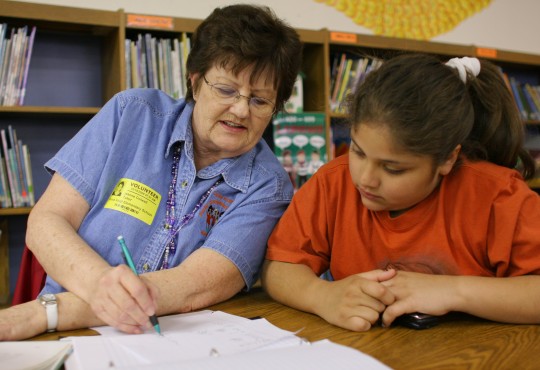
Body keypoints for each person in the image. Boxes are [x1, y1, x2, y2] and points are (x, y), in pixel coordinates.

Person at [0, 4, 302, 340]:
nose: (241, 109)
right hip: (70, 336)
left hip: (171, 342)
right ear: (196, 81)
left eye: (260, 100)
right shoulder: (132, 114)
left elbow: (193, 287)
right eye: (226, 90)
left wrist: (52, 311)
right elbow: (46, 221)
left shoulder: (268, 186)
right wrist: (98, 282)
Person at [262, 53, 540, 332]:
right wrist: (321, 295)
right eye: (358, 151)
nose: (365, 179)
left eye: (393, 169)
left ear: (447, 159)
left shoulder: (498, 197)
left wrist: (454, 291)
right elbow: (279, 266)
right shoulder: (333, 182)